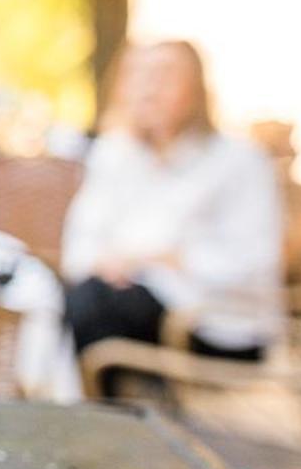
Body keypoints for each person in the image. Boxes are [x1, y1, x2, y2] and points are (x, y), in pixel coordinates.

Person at [61, 40, 284, 363]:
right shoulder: (114, 154)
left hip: (218, 326)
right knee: (56, 301)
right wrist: (111, 263)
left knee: (95, 308)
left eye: (163, 75)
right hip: (117, 300)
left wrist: (165, 260)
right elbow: (78, 249)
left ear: (196, 88)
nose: (148, 88)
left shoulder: (240, 161)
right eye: (137, 75)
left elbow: (255, 262)